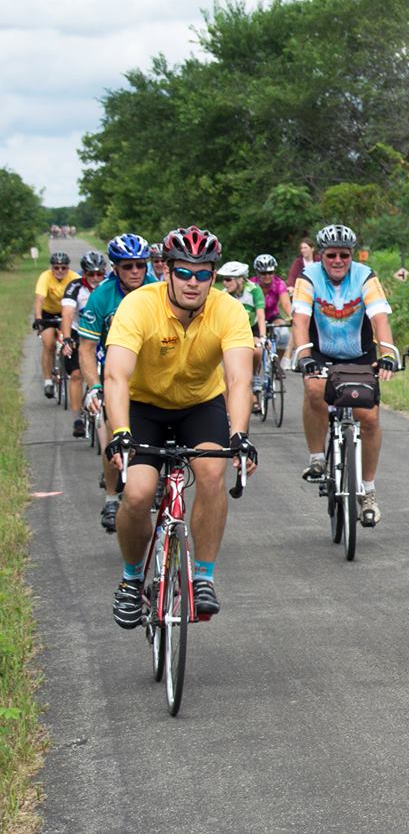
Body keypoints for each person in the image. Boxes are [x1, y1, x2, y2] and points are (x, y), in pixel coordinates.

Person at [104, 225, 256, 628]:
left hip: (199, 404)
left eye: (203, 273)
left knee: (210, 471)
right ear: (166, 271)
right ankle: (131, 581)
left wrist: (239, 435)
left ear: (213, 276)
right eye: (184, 272)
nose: (193, 282)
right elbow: (116, 376)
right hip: (143, 405)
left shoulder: (229, 310)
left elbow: (240, 379)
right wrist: (120, 432)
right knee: (137, 493)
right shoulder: (138, 306)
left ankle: (203, 576)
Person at [291, 224, 396, 525]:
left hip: (359, 355)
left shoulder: (365, 276)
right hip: (321, 352)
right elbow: (300, 320)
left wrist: (387, 353)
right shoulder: (308, 276)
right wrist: (304, 356)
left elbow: (379, 318)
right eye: (332, 255)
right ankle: (316, 458)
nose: (338, 261)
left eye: (344, 255)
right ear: (321, 255)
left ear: (352, 256)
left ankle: (369, 491)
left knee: (370, 417)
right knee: (314, 390)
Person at [77, 233, 156, 532]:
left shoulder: (158, 290)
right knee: (113, 432)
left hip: (153, 373)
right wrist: (94, 386)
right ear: (115, 268)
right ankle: (111, 498)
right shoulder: (101, 297)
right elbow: (86, 348)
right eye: (127, 266)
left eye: (140, 265)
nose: (135, 271)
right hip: (115, 373)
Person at [59, 251, 108, 437]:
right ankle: (77, 418)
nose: (95, 278)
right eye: (91, 274)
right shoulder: (75, 287)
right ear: (84, 273)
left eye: (99, 274)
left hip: (103, 332)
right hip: (78, 331)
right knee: (77, 374)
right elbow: (67, 314)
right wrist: (66, 338)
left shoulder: (108, 285)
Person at [218, 261, 267, 412]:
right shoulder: (224, 295)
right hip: (233, 330)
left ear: (240, 279)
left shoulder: (253, 290)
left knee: (257, 350)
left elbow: (260, 313)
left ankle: (254, 375)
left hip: (251, 328)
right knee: (227, 371)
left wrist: (263, 336)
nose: (225, 283)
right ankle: (226, 413)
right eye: (224, 279)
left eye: (228, 279)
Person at [33, 251, 80, 399]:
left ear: (68, 268)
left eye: (63, 268)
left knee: (72, 342)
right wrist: (38, 318)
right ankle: (48, 381)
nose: (60, 271)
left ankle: (69, 369)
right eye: (56, 268)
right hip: (49, 313)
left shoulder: (74, 278)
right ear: (51, 268)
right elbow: (39, 299)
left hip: (68, 312)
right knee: (49, 344)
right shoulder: (45, 277)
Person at [251, 253, 292, 366]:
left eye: (270, 272)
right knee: (255, 345)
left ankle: (276, 362)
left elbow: (285, 303)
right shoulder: (252, 285)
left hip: (272, 315)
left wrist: (291, 315)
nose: (267, 276)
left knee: (284, 333)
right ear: (257, 273)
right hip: (256, 317)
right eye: (263, 273)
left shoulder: (279, 284)